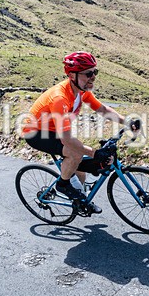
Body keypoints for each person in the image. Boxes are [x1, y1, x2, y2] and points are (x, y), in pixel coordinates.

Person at [20, 51, 140, 214]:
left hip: (54, 130)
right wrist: (95, 153)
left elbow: (103, 109)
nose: (93, 77)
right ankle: (62, 184)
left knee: (80, 170)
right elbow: (67, 140)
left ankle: (80, 200)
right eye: (88, 74)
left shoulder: (81, 91)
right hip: (36, 132)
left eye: (95, 72)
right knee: (75, 153)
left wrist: (127, 122)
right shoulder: (59, 98)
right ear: (71, 75)